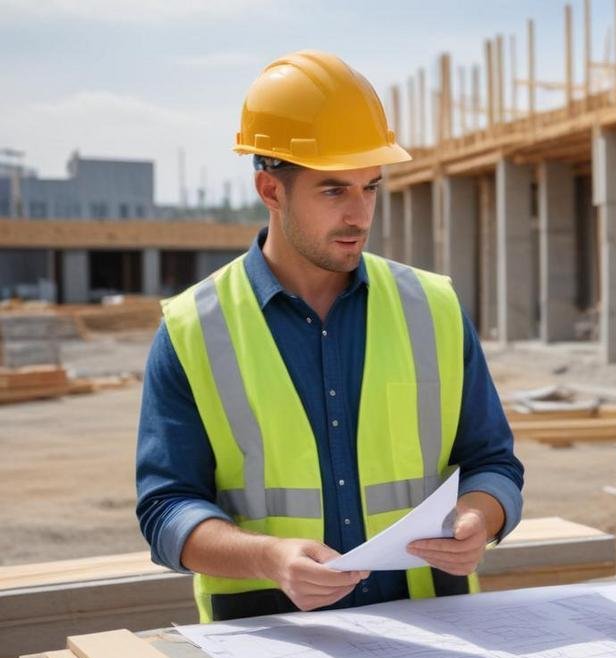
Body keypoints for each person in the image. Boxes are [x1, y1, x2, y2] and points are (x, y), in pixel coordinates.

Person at [135, 50, 523, 623]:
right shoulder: (194, 328)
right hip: (273, 642)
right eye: (334, 190)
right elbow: (166, 509)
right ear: (271, 189)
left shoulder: (434, 308)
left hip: (434, 632)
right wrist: (270, 559)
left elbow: (493, 464)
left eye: (371, 187)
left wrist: (479, 518)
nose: (360, 215)